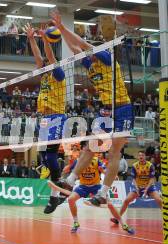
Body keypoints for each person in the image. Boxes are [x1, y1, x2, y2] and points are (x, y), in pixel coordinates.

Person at [50, 11, 133, 206]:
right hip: (106, 111)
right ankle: (70, 181)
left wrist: (62, 27)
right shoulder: (89, 65)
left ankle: (103, 194)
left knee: (114, 152)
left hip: (122, 108)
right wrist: (62, 34)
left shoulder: (106, 58)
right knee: (90, 148)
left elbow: (84, 44)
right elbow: (75, 48)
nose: (85, 54)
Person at [24, 23, 66, 213]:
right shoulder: (44, 74)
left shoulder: (58, 73)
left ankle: (55, 196)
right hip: (45, 119)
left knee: (50, 155)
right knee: (44, 156)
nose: (45, 64)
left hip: (57, 117)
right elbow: (39, 58)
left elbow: (48, 57)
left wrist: (46, 40)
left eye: (49, 63)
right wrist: (32, 38)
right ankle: (58, 190)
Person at [48, 156, 134, 234]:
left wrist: (104, 171)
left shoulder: (96, 160)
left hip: (96, 187)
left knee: (110, 204)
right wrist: (66, 168)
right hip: (83, 186)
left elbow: (104, 171)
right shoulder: (78, 161)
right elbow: (67, 170)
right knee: (71, 199)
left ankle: (123, 224)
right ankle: (76, 222)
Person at [112, 151, 161, 225]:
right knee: (126, 200)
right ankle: (117, 219)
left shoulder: (150, 165)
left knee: (159, 200)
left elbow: (152, 179)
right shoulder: (135, 165)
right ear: (138, 157)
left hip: (149, 187)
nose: (141, 157)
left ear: (145, 156)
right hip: (138, 186)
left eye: (142, 155)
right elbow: (134, 179)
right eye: (139, 155)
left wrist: (147, 189)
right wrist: (136, 187)